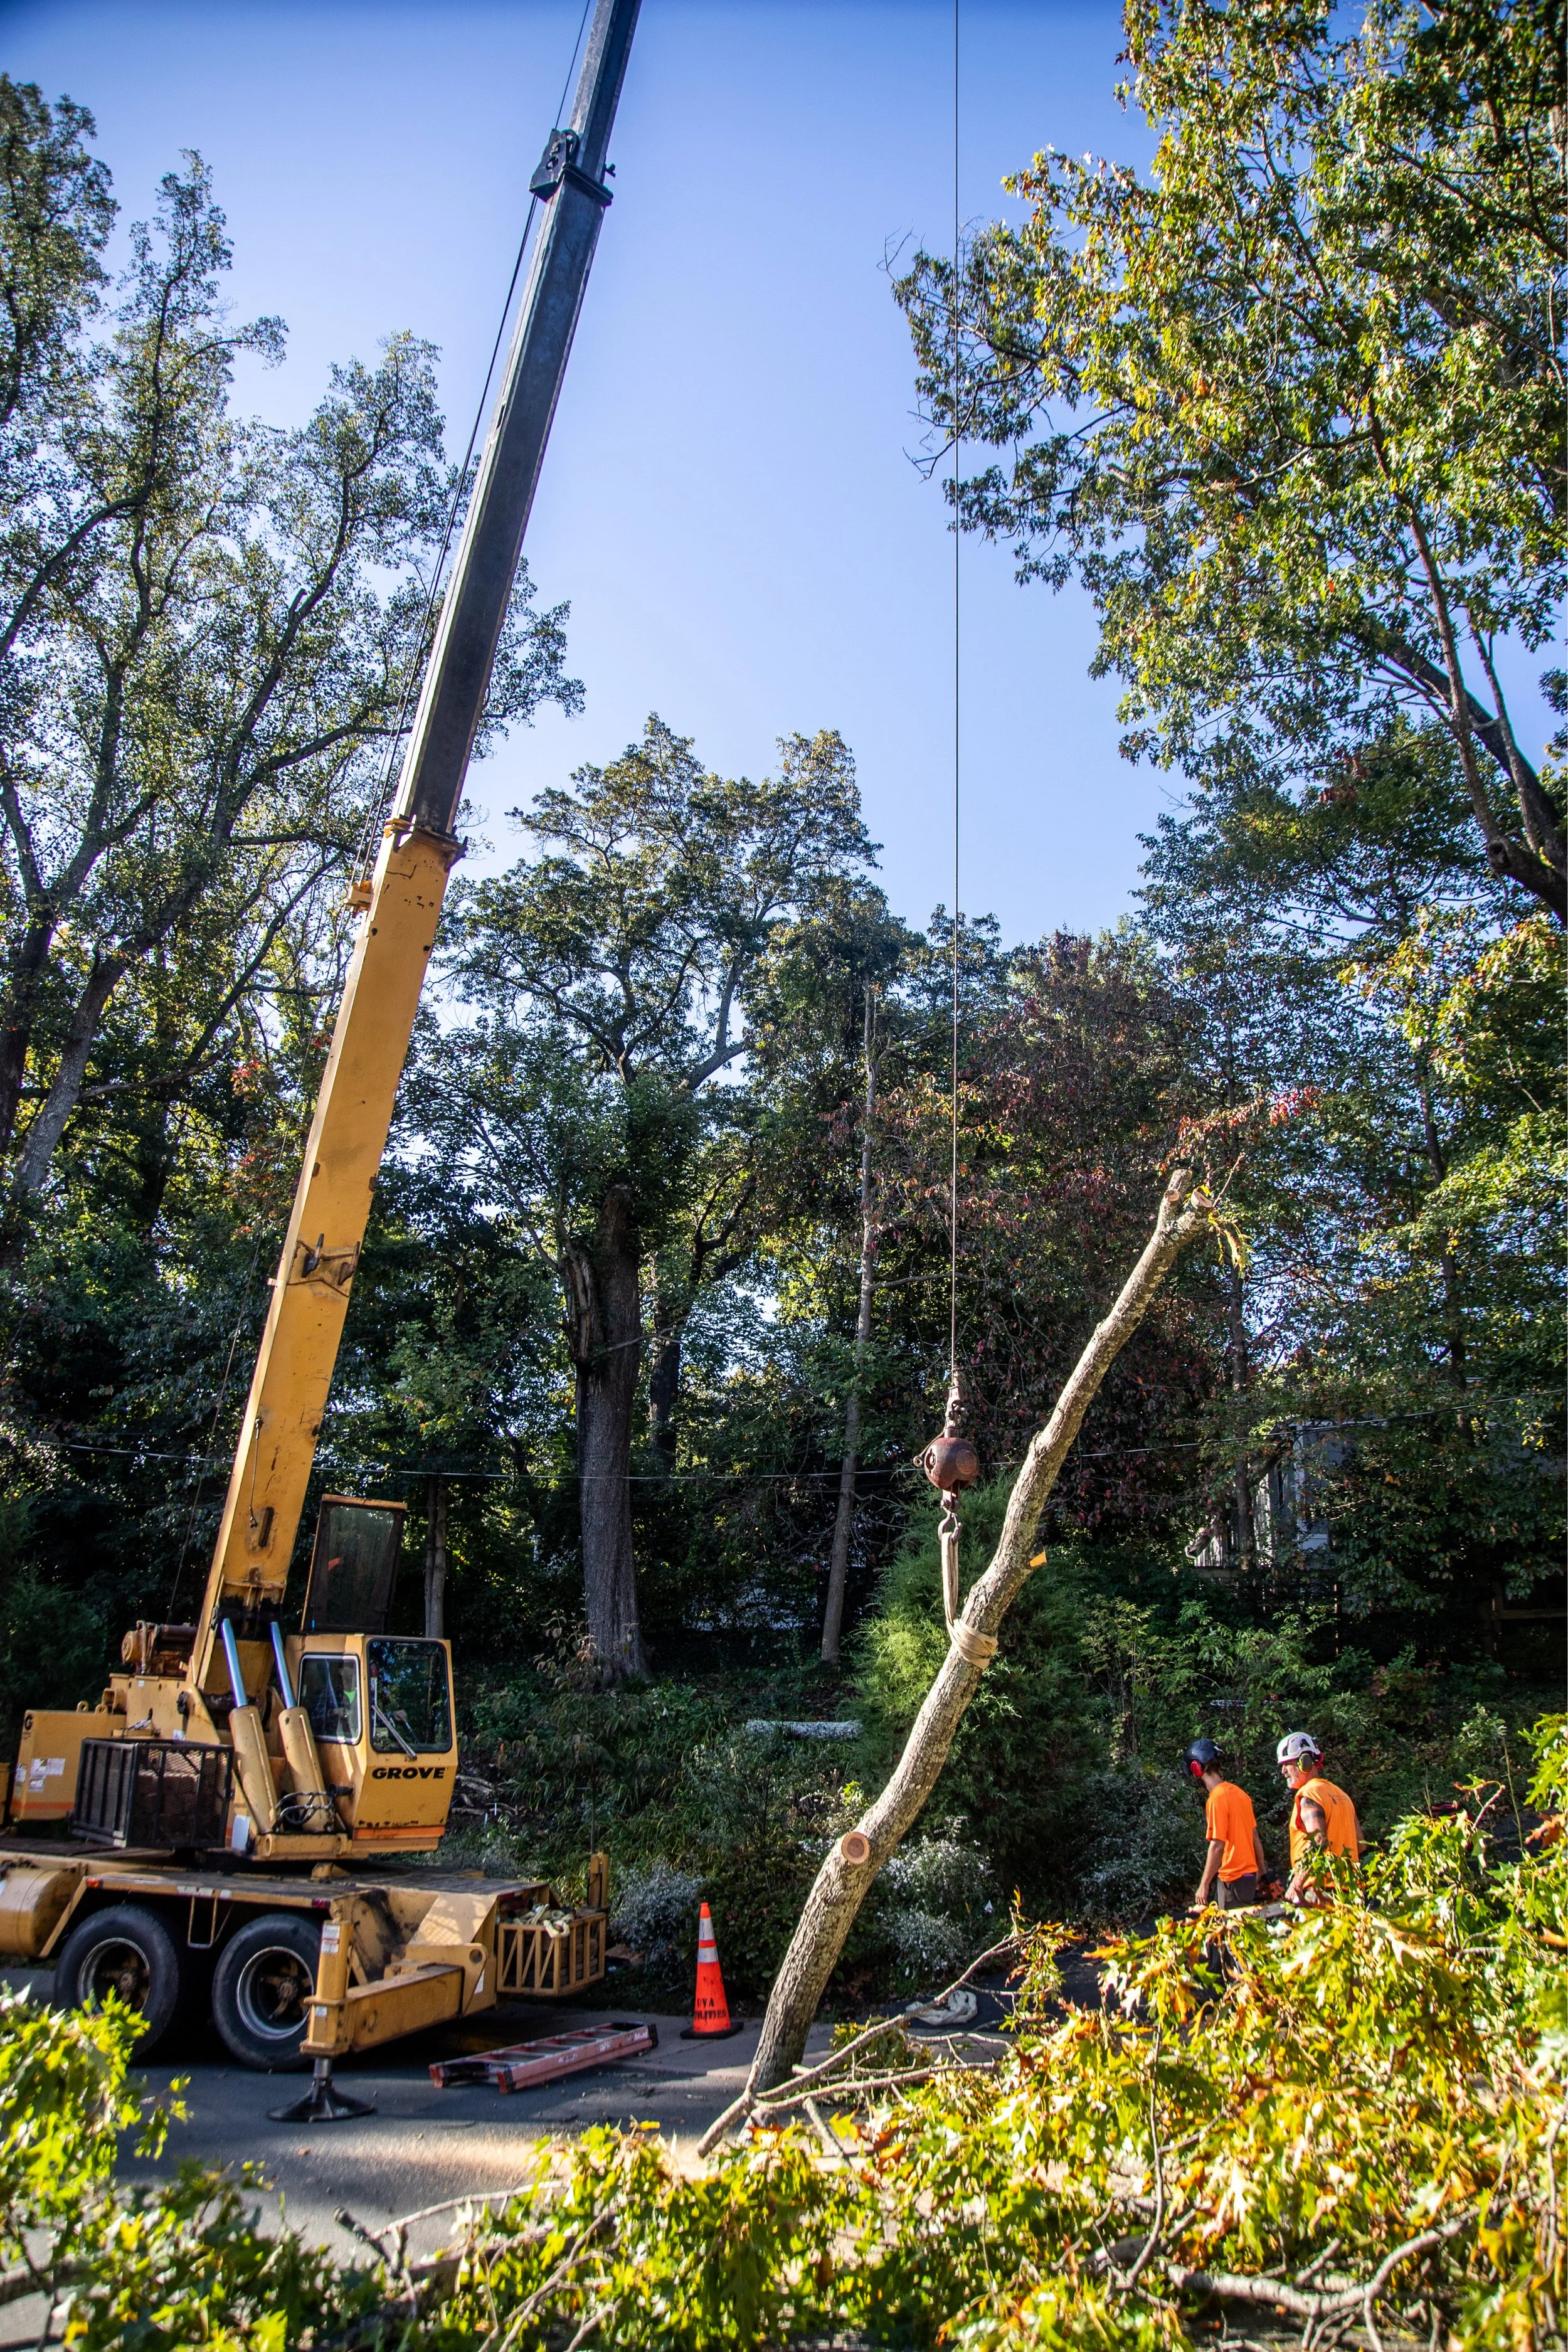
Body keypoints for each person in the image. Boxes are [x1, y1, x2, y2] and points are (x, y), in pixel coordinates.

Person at [1185, 1738, 1268, 1911]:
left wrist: (1204, 1884)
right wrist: (1262, 1871)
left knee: (1229, 1933)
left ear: (1196, 1768)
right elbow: (1255, 1838)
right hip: (1248, 1878)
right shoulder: (1241, 1794)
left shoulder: (1216, 1799)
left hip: (1232, 1879)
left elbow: (1217, 1846)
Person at [1277, 1730, 1360, 1902]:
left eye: (1287, 1764)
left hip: (1319, 1890)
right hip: (1348, 1890)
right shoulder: (1342, 1795)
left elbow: (1319, 1841)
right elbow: (1360, 1845)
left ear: (1304, 1762)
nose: (1283, 1771)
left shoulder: (1309, 1794)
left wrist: (1297, 1884)